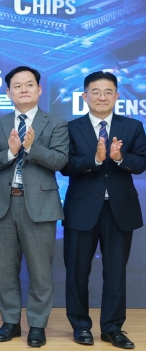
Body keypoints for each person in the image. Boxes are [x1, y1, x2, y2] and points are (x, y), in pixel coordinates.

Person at [0, 66, 69, 348]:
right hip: (4, 204)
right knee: (5, 269)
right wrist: (10, 151)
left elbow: (60, 161)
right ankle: (10, 322)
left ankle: (37, 325)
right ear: (8, 92)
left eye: (29, 85)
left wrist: (30, 148)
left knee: (40, 271)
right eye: (17, 86)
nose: (23, 90)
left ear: (39, 89)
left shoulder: (56, 123)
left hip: (40, 205)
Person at [61, 71, 146, 349]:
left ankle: (112, 328)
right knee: (77, 271)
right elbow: (65, 166)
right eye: (95, 92)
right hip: (81, 209)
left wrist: (120, 158)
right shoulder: (71, 128)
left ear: (117, 96)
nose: (102, 97)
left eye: (108, 92)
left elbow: (141, 163)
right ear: (84, 96)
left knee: (115, 272)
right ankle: (81, 326)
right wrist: (95, 159)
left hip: (119, 210)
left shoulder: (132, 127)